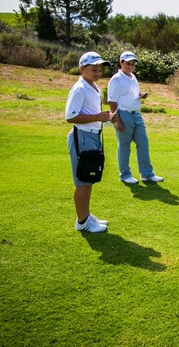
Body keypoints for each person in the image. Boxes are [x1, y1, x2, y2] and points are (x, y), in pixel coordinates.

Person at [66, 51, 113, 233]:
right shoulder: (79, 88)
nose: (98, 73)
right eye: (94, 69)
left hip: (92, 135)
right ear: (82, 68)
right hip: (82, 136)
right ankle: (82, 221)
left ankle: (86, 216)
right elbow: (70, 116)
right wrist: (97, 116)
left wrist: (104, 118)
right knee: (82, 180)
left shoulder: (93, 86)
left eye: (100, 69)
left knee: (89, 178)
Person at [107, 51, 163, 184]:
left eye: (133, 64)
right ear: (121, 63)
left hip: (136, 114)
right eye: (128, 64)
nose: (131, 66)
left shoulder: (132, 77)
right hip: (123, 114)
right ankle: (125, 175)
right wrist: (118, 120)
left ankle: (147, 174)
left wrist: (141, 94)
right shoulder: (116, 79)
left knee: (143, 143)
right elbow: (112, 101)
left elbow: (131, 94)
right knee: (124, 145)